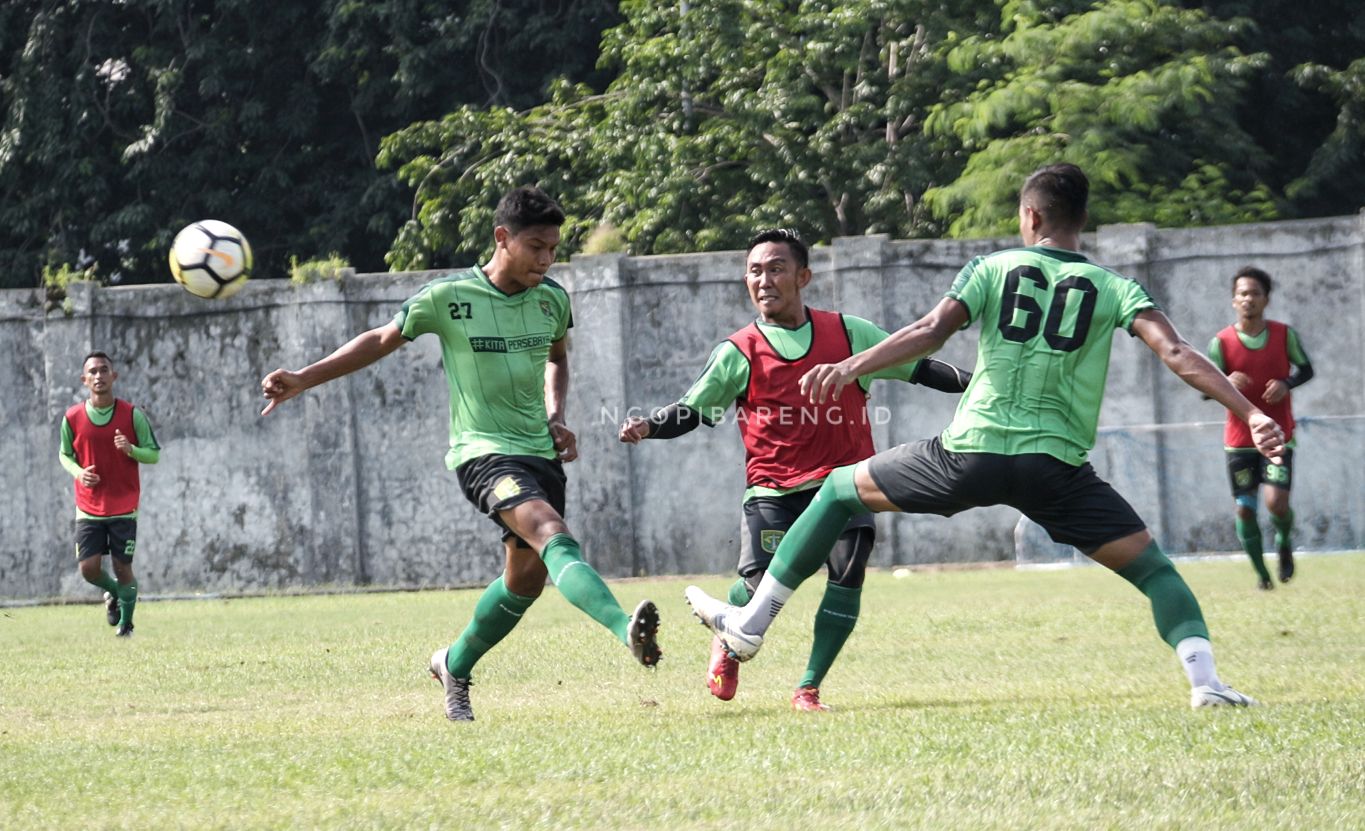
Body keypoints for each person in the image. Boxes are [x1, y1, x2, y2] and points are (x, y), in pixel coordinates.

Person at [686, 163, 1286, 709]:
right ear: (1082, 218)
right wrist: (1250, 411)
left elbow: (928, 332)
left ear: (1030, 216)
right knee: (1155, 572)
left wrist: (850, 367)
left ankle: (752, 623)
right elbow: (1178, 352)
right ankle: (1204, 682)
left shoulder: (992, 267)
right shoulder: (1115, 287)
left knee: (840, 489)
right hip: (1056, 471)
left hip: (970, 454)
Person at [260, 185, 661, 722]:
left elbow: (557, 357)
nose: (546, 259)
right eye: (537, 247)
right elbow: (379, 339)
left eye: (553, 249)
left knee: (525, 581)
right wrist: (303, 380)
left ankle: (453, 663)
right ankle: (624, 631)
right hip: (483, 455)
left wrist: (556, 415)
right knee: (550, 532)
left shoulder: (552, 299)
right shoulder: (448, 298)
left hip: (539, 452)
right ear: (503, 238)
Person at [620, 228, 969, 712]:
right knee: (758, 585)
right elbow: (694, 409)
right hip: (774, 492)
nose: (764, 279)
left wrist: (978, 387)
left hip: (846, 485)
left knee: (848, 573)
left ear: (803, 276)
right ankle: (727, 632)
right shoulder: (738, 351)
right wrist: (650, 426)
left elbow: (920, 366)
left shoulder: (849, 334)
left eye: (776, 268)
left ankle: (808, 688)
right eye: (755, 271)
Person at [1208, 266, 1313, 590]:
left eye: (1254, 293)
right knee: (1244, 510)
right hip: (1239, 441)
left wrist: (1286, 382)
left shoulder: (1284, 335)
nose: (1247, 299)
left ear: (1266, 299)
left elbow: (1306, 369)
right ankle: (1262, 576)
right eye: (1242, 293)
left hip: (1278, 435)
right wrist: (1225, 382)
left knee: (1276, 503)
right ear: (1233, 300)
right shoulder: (1221, 342)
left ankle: (1283, 540)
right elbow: (1204, 386)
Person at [60, 351, 160, 637]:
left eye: (104, 370)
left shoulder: (132, 414)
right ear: (84, 380)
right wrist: (79, 473)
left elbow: (153, 455)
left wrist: (132, 450)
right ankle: (117, 593)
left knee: (122, 566)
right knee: (88, 569)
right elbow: (64, 455)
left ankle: (126, 624)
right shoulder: (72, 417)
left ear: (113, 376)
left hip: (124, 507)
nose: (98, 376)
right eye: (92, 372)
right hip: (88, 506)